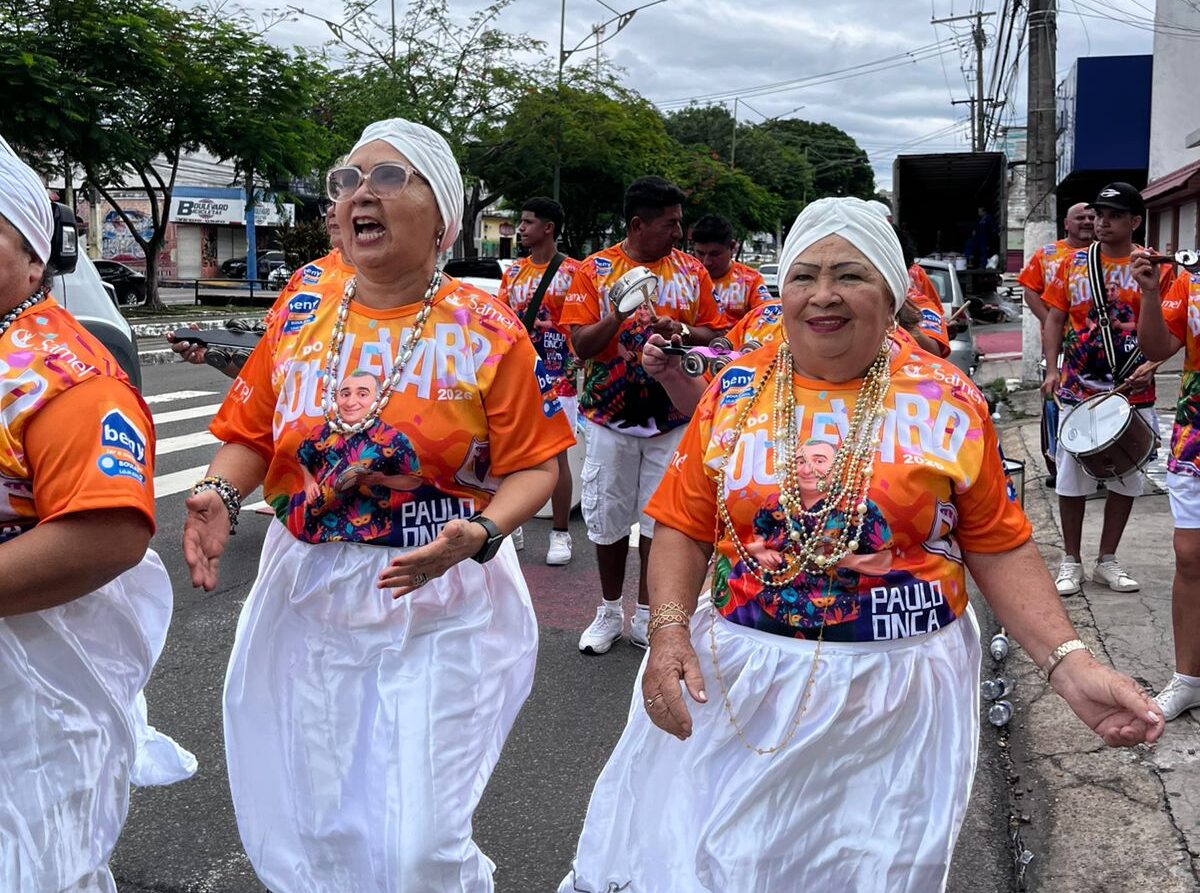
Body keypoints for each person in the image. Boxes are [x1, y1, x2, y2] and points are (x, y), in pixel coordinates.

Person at [558, 197, 1163, 893]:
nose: (823, 295)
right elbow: (685, 525)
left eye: (849, 275)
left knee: (870, 873)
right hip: (743, 677)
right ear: (779, 290)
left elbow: (995, 545)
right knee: (721, 866)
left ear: (890, 291)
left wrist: (1067, 662)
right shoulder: (734, 389)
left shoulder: (947, 397)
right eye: (803, 276)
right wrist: (667, 634)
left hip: (897, 691)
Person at [183, 118, 574, 892]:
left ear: (444, 218)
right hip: (309, 592)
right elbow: (255, 429)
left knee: (418, 841)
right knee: (322, 818)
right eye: (349, 180)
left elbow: (536, 466)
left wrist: (486, 530)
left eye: (391, 178)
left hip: (442, 592)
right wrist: (219, 490)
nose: (361, 193)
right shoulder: (304, 301)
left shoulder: (487, 328)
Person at [0, 138, 192, 891]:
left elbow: (107, 533)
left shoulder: (64, 374)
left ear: (32, 259)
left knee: (37, 864)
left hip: (33, 687)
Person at [563, 175, 723, 654]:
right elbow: (581, 344)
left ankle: (650, 617)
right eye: (670, 224)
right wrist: (617, 314)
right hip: (609, 417)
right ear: (638, 224)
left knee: (662, 522)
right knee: (607, 517)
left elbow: (713, 334)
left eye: (679, 223)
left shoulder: (692, 272)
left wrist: (681, 329)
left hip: (673, 420)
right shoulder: (594, 271)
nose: (679, 232)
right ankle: (609, 611)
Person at [1040, 183, 1173, 596]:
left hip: (1133, 390)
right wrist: (1050, 368)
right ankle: (1071, 560)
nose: (1101, 222)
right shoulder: (1071, 265)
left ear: (1135, 221)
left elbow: (1176, 328)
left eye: (1113, 215)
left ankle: (1107, 560)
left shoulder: (1157, 268)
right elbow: (1055, 319)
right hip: (1079, 388)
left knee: (1127, 477)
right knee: (1070, 477)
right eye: (1099, 214)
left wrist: (1153, 364)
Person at [167, 197, 354, 374]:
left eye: (344, 199)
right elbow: (268, 367)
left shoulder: (379, 282)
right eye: (329, 202)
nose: (332, 210)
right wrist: (216, 357)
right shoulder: (306, 277)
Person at [497, 196, 582, 565]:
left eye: (528, 222)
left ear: (548, 228)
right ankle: (510, 524)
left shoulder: (575, 273)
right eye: (521, 221)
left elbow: (582, 323)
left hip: (558, 377)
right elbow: (500, 320)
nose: (521, 228)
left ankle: (560, 534)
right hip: (517, 377)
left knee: (556, 457)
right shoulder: (513, 272)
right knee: (507, 453)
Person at [1134, 256, 1200, 720]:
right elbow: (1158, 345)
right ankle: (1189, 680)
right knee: (1191, 556)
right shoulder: (1190, 282)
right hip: (1197, 431)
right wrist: (1152, 294)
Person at [1018, 202, 1096, 487]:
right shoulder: (1048, 254)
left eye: (1091, 217)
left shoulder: (1103, 255)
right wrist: (1054, 324)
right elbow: (1030, 292)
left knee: (1095, 406)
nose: (1087, 222)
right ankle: (1057, 464)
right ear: (1066, 223)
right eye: (1080, 218)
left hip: (1094, 349)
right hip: (1058, 348)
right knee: (1055, 405)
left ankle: (1097, 462)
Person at [689, 213, 770, 326]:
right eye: (700, 253)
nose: (706, 262)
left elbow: (767, 319)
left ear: (732, 247)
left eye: (714, 254)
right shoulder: (685, 278)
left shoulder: (750, 281)